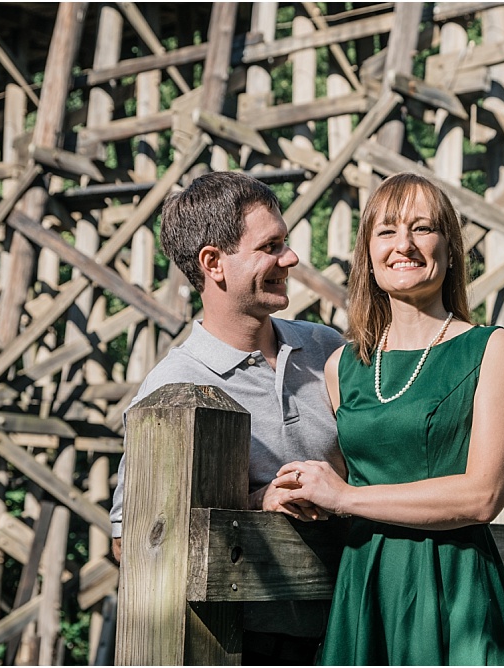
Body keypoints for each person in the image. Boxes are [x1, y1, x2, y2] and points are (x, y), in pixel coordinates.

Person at [273, 172, 504, 665]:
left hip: (455, 585)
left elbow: (483, 496)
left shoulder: (492, 349)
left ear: (450, 248)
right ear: (367, 253)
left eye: (422, 228)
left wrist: (345, 497)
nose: (403, 245)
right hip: (366, 581)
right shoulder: (340, 366)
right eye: (386, 231)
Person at [108, 170, 345, 665]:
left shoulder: (325, 348)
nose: (291, 258)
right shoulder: (172, 388)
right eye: (270, 246)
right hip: (243, 646)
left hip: (352, 629)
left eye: (286, 241)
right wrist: (258, 502)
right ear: (213, 263)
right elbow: (130, 542)